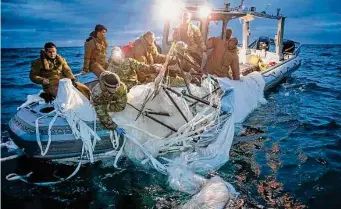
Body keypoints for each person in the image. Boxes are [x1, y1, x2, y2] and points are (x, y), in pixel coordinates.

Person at [91, 68, 127, 135]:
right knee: (99, 111)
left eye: (117, 87)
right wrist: (114, 126)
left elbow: (122, 104)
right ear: (105, 86)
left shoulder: (121, 87)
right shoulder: (97, 93)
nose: (115, 89)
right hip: (101, 101)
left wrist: (115, 101)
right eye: (113, 88)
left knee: (121, 107)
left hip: (111, 99)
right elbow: (102, 114)